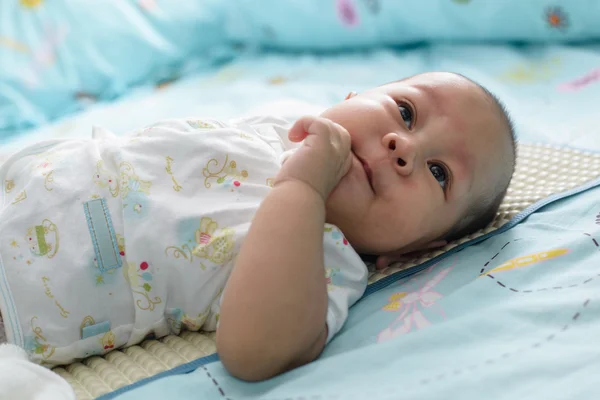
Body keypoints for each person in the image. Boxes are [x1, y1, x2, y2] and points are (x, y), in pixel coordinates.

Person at [0, 72, 515, 381]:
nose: (405, 147)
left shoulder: (323, 262)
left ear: (417, 248)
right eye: (405, 111)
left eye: (439, 173)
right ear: (356, 93)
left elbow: (255, 351)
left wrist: (304, 190)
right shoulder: (279, 126)